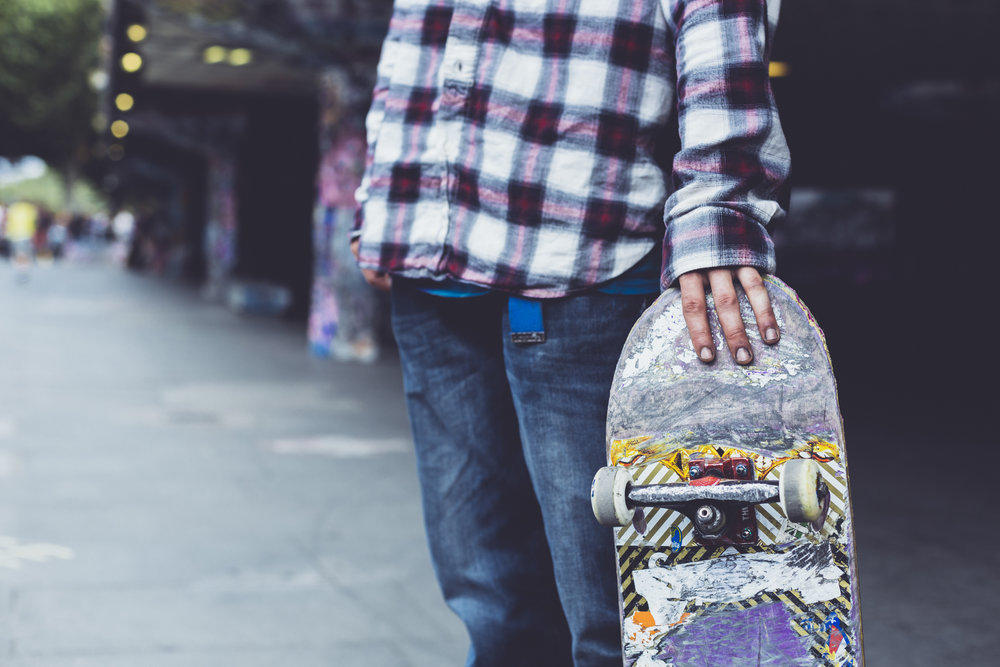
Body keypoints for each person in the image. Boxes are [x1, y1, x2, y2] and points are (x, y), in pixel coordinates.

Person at [352, 1, 789, 664]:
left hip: (584, 253)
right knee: (494, 608)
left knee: (616, 613)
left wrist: (720, 207)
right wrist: (382, 188)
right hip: (431, 260)